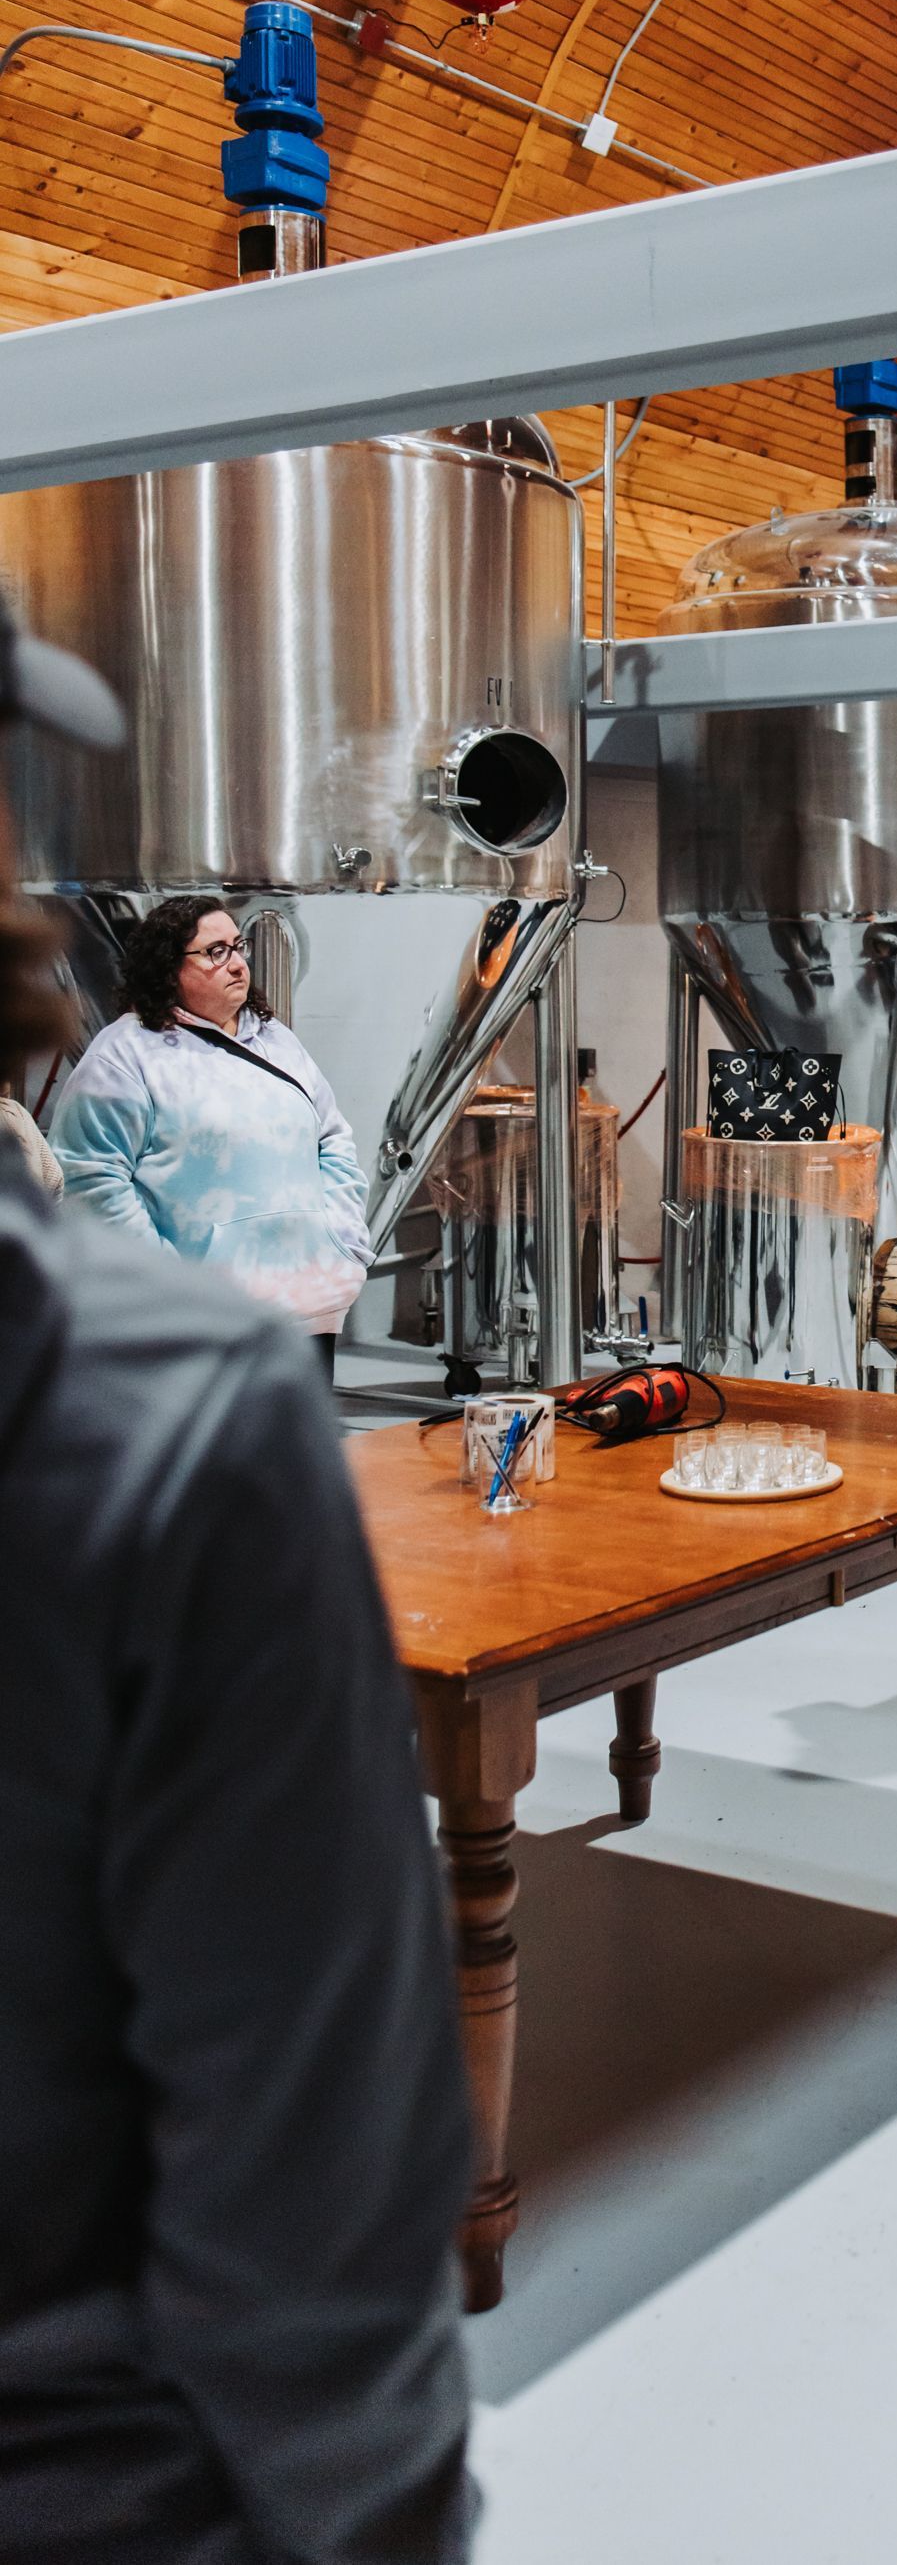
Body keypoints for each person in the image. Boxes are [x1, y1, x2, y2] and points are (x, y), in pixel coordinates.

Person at [0, 597, 476, 2559]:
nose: (232, 956)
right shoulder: (146, 1419)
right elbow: (318, 2184)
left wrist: (340, 1255)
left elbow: (349, 1161)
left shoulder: (279, 1053)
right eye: (205, 938)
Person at [52, 895, 371, 1380]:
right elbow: (91, 1178)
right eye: (215, 951)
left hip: (310, 1305)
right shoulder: (123, 1056)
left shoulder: (276, 1041)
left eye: (238, 947)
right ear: (167, 967)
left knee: (295, 1453)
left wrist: (343, 1244)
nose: (238, 964)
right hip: (200, 1322)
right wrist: (170, 1284)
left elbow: (333, 1139)